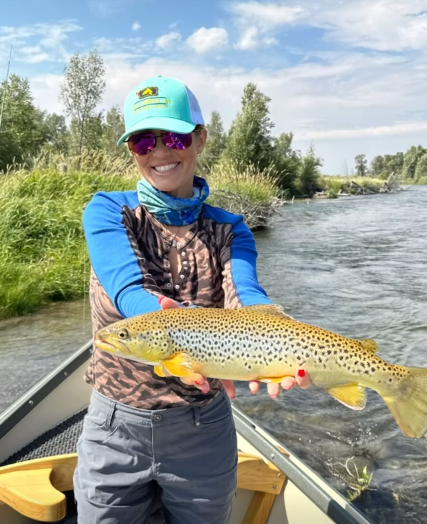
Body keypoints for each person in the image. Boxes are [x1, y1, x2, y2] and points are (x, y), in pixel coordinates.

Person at [74, 75, 312, 524]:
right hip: (114, 425)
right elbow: (128, 289)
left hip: (204, 431)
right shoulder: (108, 211)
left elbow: (246, 296)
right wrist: (165, 328)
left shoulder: (231, 228)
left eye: (174, 136)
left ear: (200, 138)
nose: (160, 151)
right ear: (132, 150)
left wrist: (278, 352)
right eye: (144, 141)